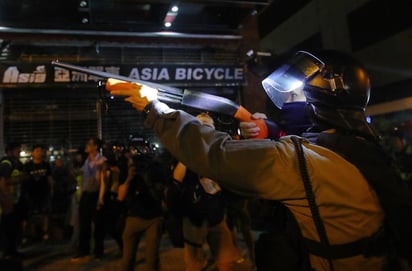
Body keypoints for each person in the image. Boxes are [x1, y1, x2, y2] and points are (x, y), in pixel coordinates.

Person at [105, 50, 410, 271]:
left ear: (320, 103)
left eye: (297, 97)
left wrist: (152, 107)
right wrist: (268, 132)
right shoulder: (362, 147)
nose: (291, 103)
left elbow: (214, 154)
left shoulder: (302, 160)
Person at [172, 112, 252, 271]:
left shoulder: (219, 151)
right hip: (193, 216)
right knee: (195, 263)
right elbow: (176, 180)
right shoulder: (185, 150)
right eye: (201, 128)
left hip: (217, 214)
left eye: (209, 129)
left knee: (226, 261)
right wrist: (189, 154)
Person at [118, 155, 166, 271]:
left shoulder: (155, 173)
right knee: (127, 260)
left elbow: (160, 197)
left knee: (151, 259)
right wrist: (129, 178)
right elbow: (120, 197)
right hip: (133, 218)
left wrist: (148, 180)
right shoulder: (129, 176)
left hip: (153, 219)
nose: (134, 168)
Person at [71, 137, 107, 261]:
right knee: (84, 224)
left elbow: (103, 182)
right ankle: (84, 250)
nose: (87, 146)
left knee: (98, 225)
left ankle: (98, 252)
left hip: (96, 194)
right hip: (85, 194)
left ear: (96, 147)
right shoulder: (87, 161)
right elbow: (81, 174)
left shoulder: (102, 161)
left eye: (89, 144)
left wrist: (101, 198)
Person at [22, 144, 54, 241]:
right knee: (30, 214)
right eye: (37, 151)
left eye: (41, 151)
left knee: (45, 213)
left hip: (44, 192)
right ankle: (29, 234)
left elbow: (50, 178)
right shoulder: (27, 166)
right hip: (31, 192)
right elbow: (24, 179)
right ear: (32, 153)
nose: (39, 153)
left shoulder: (46, 165)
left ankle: (45, 232)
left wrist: (52, 189)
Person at [0, 142, 26, 260]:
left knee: (13, 227)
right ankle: (7, 253)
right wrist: (7, 200)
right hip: (7, 202)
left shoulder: (17, 164)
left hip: (15, 200)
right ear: (10, 151)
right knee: (7, 227)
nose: (20, 152)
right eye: (17, 150)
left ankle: (12, 251)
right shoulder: (6, 163)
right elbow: (3, 182)